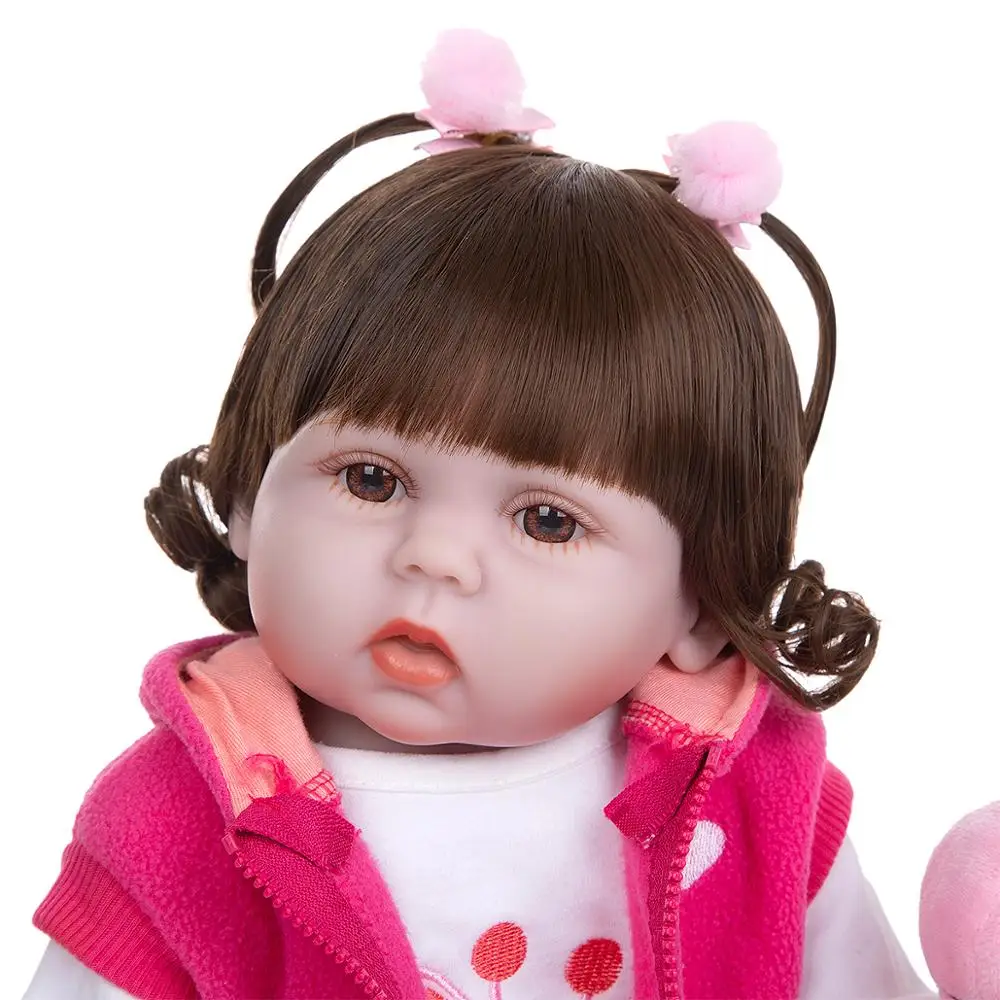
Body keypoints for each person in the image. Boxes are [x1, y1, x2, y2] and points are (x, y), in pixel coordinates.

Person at [24, 28, 935, 1000]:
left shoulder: (759, 805)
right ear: (249, 494)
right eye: (370, 479)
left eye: (548, 521)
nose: (436, 558)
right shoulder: (170, 828)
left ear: (701, 604)